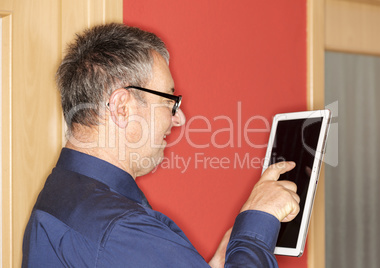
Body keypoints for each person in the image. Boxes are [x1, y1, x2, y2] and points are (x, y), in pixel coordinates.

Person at [22, 23, 300, 267]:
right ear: (121, 107)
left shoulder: (62, 191)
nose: (179, 118)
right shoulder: (119, 228)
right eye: (169, 101)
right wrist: (258, 219)